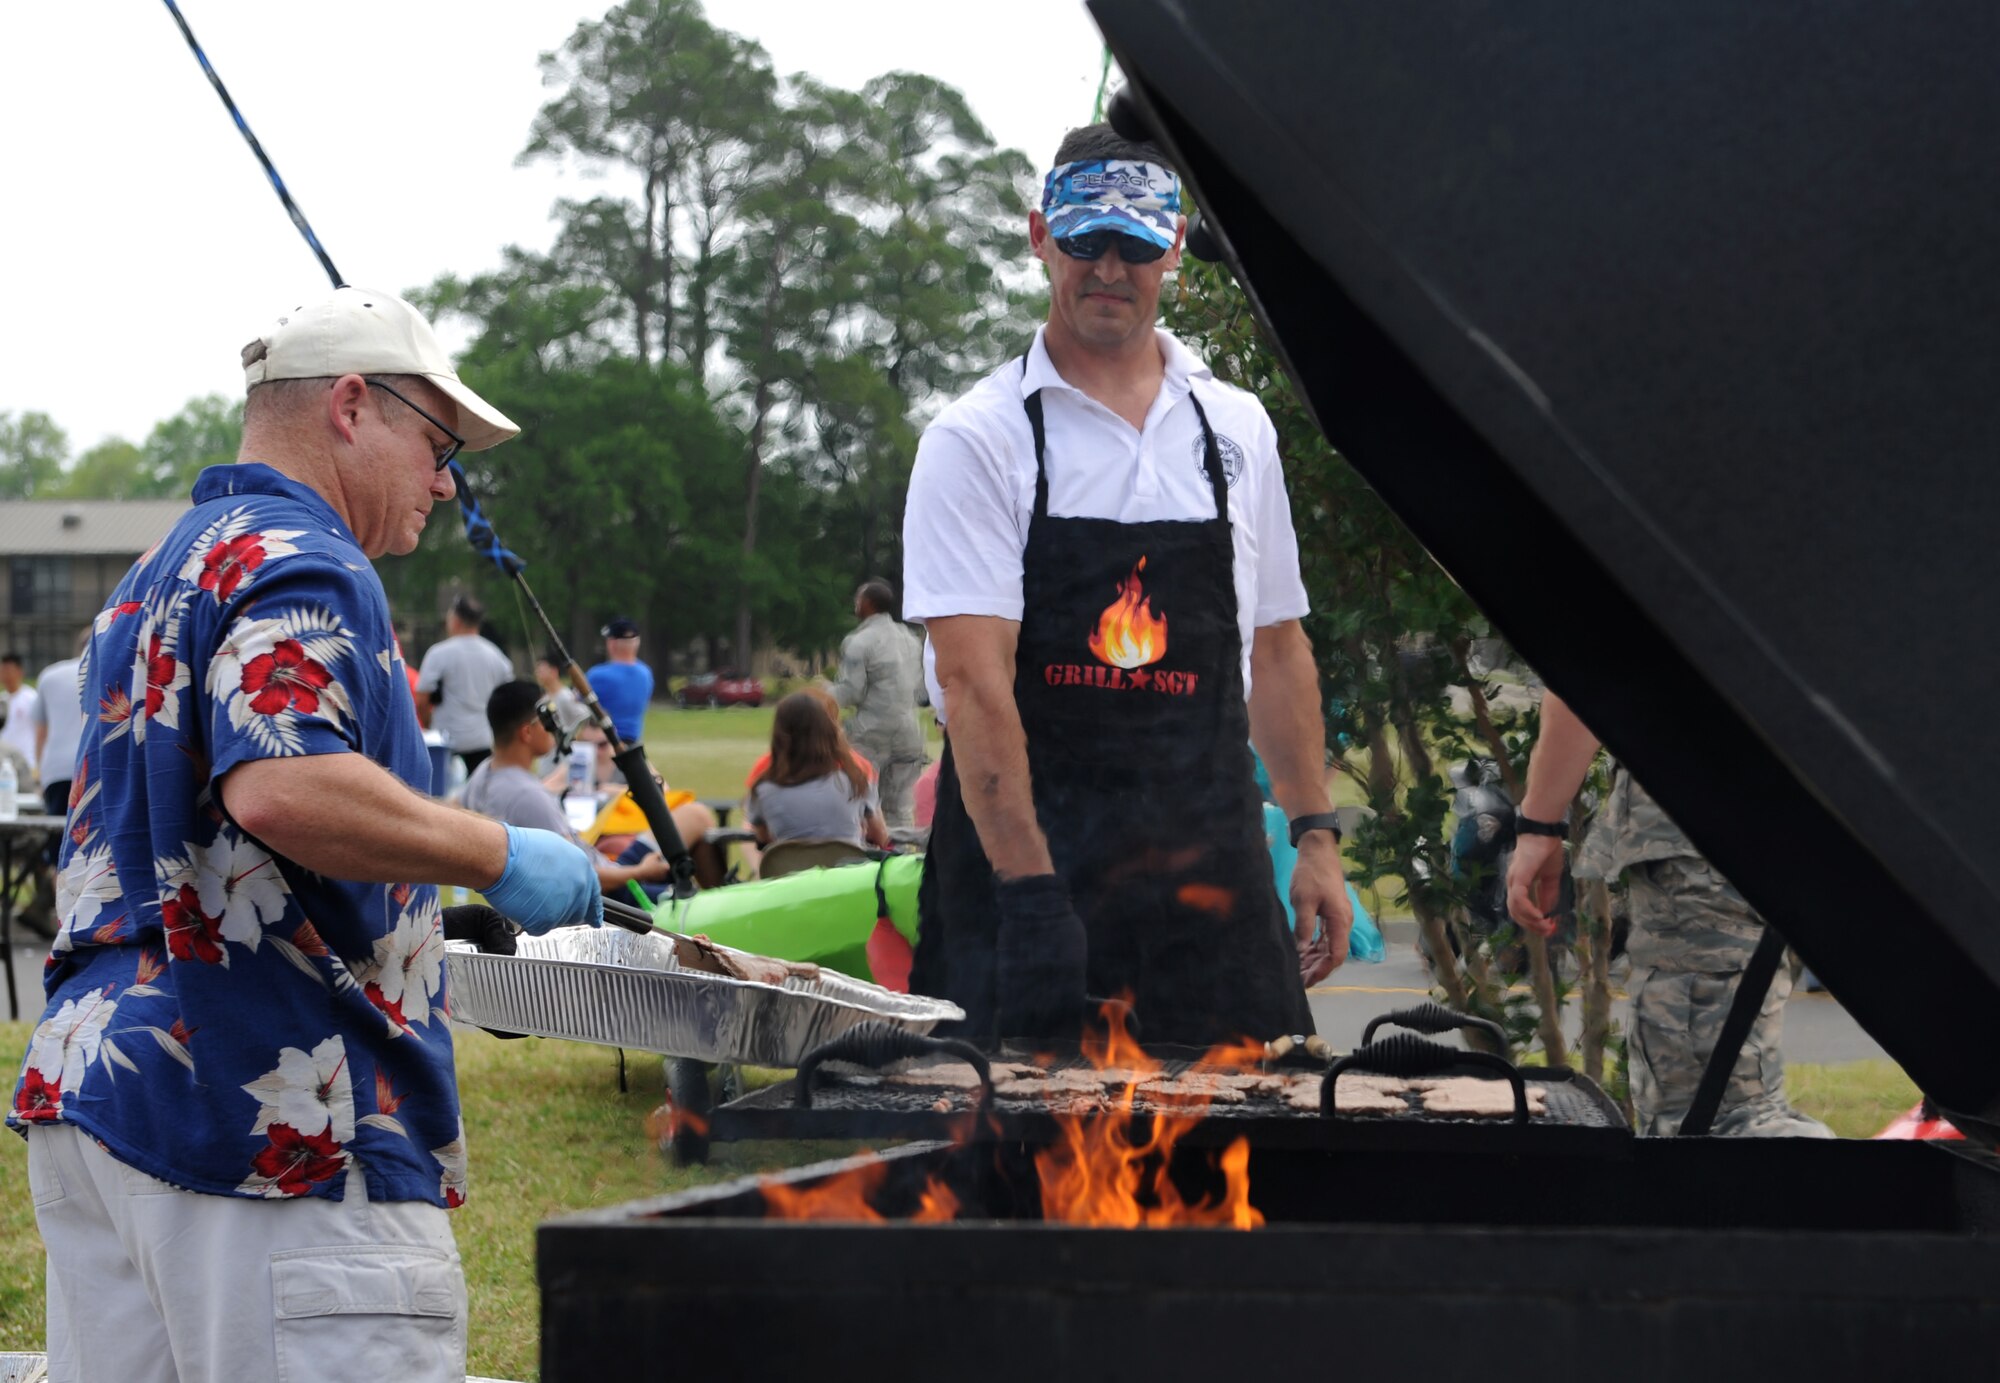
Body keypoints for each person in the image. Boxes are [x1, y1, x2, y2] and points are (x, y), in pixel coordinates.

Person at [6, 285, 604, 1383]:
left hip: (102, 1094)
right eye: (437, 444)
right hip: (261, 1108)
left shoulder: (152, 577)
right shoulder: (306, 553)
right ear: (348, 406)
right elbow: (280, 788)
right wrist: (501, 853)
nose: (445, 483)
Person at [901, 125, 1348, 1046]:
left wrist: (1315, 836)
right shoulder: (979, 437)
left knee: (1247, 1158)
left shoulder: (1237, 428)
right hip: (1030, 874)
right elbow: (973, 681)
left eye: (1138, 244)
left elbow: (1275, 642)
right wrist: (1028, 895)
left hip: (1206, 876)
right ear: (1039, 237)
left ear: (1175, 247)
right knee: (1016, 1164)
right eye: (1086, 240)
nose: (1110, 266)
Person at [1506, 691, 1832, 1138]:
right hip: (1810, 824)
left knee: (1714, 1122)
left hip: (1703, 841)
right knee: (1736, 1110)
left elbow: (1589, 663)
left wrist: (1538, 825)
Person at [462, 681, 719, 899]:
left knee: (694, 816)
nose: (555, 725)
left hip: (605, 871)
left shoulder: (484, 775)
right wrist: (640, 872)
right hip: (613, 893)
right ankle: (722, 899)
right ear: (527, 733)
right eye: (547, 717)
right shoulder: (528, 796)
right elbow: (577, 876)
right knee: (698, 817)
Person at [828, 579, 928, 827]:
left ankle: (864, 861)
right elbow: (922, 691)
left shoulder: (858, 642)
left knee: (859, 804)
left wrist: (821, 694)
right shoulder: (910, 640)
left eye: (858, 600)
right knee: (900, 810)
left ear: (867, 604)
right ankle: (900, 859)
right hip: (909, 733)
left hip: (869, 735)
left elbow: (850, 692)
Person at [747, 691, 892, 857]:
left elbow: (763, 838)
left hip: (790, 878)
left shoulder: (763, 788)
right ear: (829, 730)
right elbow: (880, 835)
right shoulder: (855, 779)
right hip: (848, 878)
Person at [415, 593, 513, 779]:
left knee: (444, 800)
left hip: (447, 741)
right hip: (484, 740)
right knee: (478, 802)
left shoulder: (439, 653)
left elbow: (422, 698)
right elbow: (507, 698)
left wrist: (429, 725)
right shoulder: (496, 656)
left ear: (456, 620)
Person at [30, 633, 87, 817]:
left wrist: (39, 775)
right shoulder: (107, 671)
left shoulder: (50, 674)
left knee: (56, 836)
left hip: (56, 769)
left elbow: (41, 733)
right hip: (93, 765)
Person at [586, 616, 653, 745]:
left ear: (611, 643)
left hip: (603, 745)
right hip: (634, 744)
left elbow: (576, 703)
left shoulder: (597, 675)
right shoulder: (646, 673)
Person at [0, 652, 40, 783]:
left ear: (19, 672)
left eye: (9, 670)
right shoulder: (2, 700)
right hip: (4, 763)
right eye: (3, 670)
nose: (5, 674)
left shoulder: (31, 698)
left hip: (27, 762)